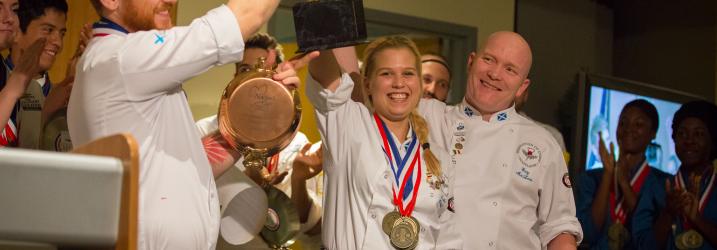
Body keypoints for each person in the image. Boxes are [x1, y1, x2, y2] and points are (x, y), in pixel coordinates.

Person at [68, 0, 312, 249]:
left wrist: (266, 103)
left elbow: (194, 163)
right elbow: (250, 12)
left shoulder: (121, 64)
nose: (171, 1)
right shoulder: (124, 57)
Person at [417, 31, 582, 249]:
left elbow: (559, 228)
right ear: (471, 62)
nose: (495, 74)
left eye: (510, 69)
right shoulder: (428, 116)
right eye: (489, 60)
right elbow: (361, 108)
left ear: (522, 87)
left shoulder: (543, 143)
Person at [307, 36, 460, 249]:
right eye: (386, 73)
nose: (399, 83)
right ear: (368, 84)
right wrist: (324, 19)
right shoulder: (348, 124)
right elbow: (323, 68)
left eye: (408, 73)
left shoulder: (439, 157)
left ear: (417, 82)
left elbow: (448, 237)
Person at [194, 32, 324, 249]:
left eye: (264, 71)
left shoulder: (296, 144)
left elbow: (308, 232)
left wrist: (298, 179)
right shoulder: (205, 131)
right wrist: (247, 180)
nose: (254, 79)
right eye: (245, 70)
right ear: (234, 75)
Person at [576, 99, 667, 249]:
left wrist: (624, 183)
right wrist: (607, 175)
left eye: (638, 124)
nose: (628, 129)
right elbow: (588, 234)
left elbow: (651, 241)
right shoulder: (590, 179)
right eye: (623, 123)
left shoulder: (662, 183)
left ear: (653, 133)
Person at [633, 100, 717, 250]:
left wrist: (697, 219)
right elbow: (642, 246)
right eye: (682, 133)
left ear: (713, 141)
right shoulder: (656, 188)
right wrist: (667, 213)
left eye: (698, 134)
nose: (689, 140)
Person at [0, 0, 77, 148]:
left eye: (62, 34)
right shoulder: (9, 84)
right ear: (18, 31)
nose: (58, 43)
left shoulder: (58, 95)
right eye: (48, 30)